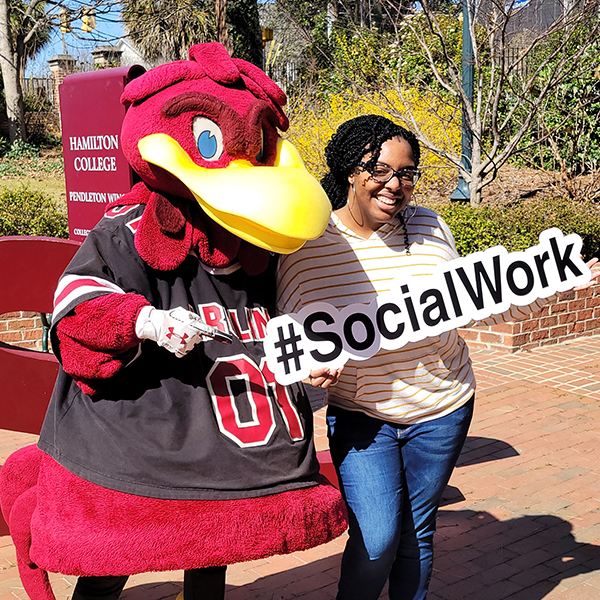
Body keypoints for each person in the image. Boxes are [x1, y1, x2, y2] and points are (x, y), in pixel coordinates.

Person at [276, 114, 598, 600]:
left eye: (407, 173)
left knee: (415, 537)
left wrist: (555, 281)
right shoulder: (308, 245)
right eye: (379, 169)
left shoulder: (428, 225)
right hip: (365, 417)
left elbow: (480, 299)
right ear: (348, 170)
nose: (394, 185)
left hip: (443, 408)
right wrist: (306, 369)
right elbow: (283, 335)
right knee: (376, 538)